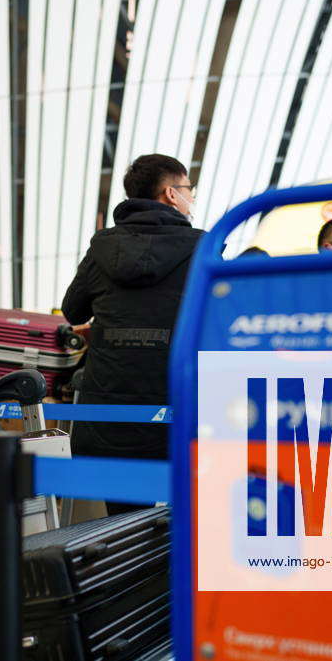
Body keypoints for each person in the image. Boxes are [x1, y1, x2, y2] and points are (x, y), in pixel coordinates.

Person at [62, 154, 203, 515]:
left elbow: (73, 310)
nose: (192, 197)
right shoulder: (203, 248)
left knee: (125, 524)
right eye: (189, 190)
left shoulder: (103, 247)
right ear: (171, 194)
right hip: (180, 408)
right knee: (188, 524)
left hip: (111, 415)